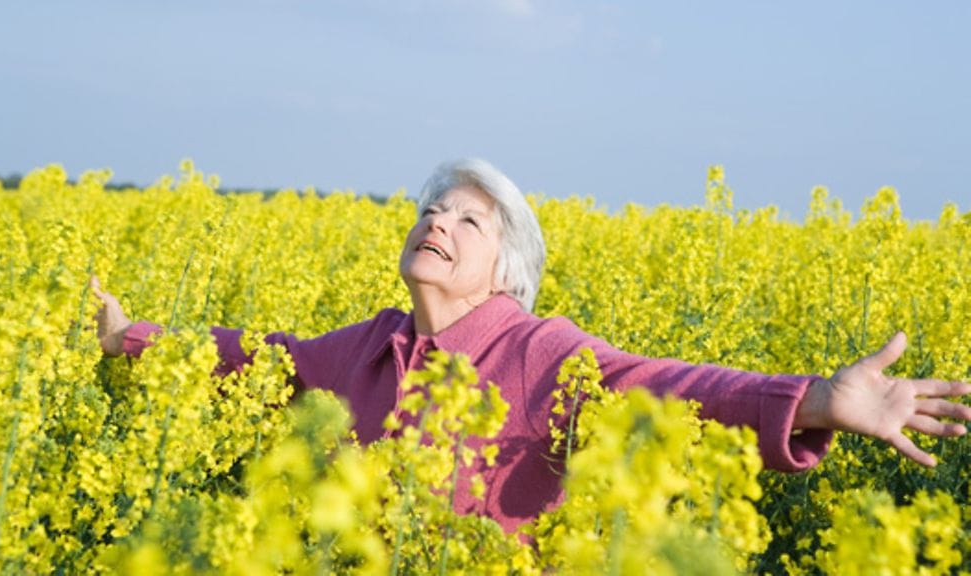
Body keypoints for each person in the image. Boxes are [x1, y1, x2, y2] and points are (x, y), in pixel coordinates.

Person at [92, 158, 971, 534]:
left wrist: (817, 400)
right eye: (433, 209)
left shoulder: (536, 350)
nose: (437, 221)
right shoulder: (366, 349)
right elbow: (254, 359)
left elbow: (673, 389)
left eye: (468, 219)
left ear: (506, 273)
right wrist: (128, 336)